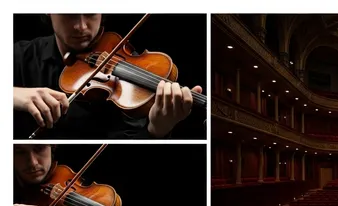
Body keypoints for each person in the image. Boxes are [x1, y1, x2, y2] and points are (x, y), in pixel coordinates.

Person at [13, 14, 202, 139]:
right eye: (69, 14)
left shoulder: (117, 58)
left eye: (90, 13)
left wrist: (157, 129)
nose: (81, 26)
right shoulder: (20, 56)